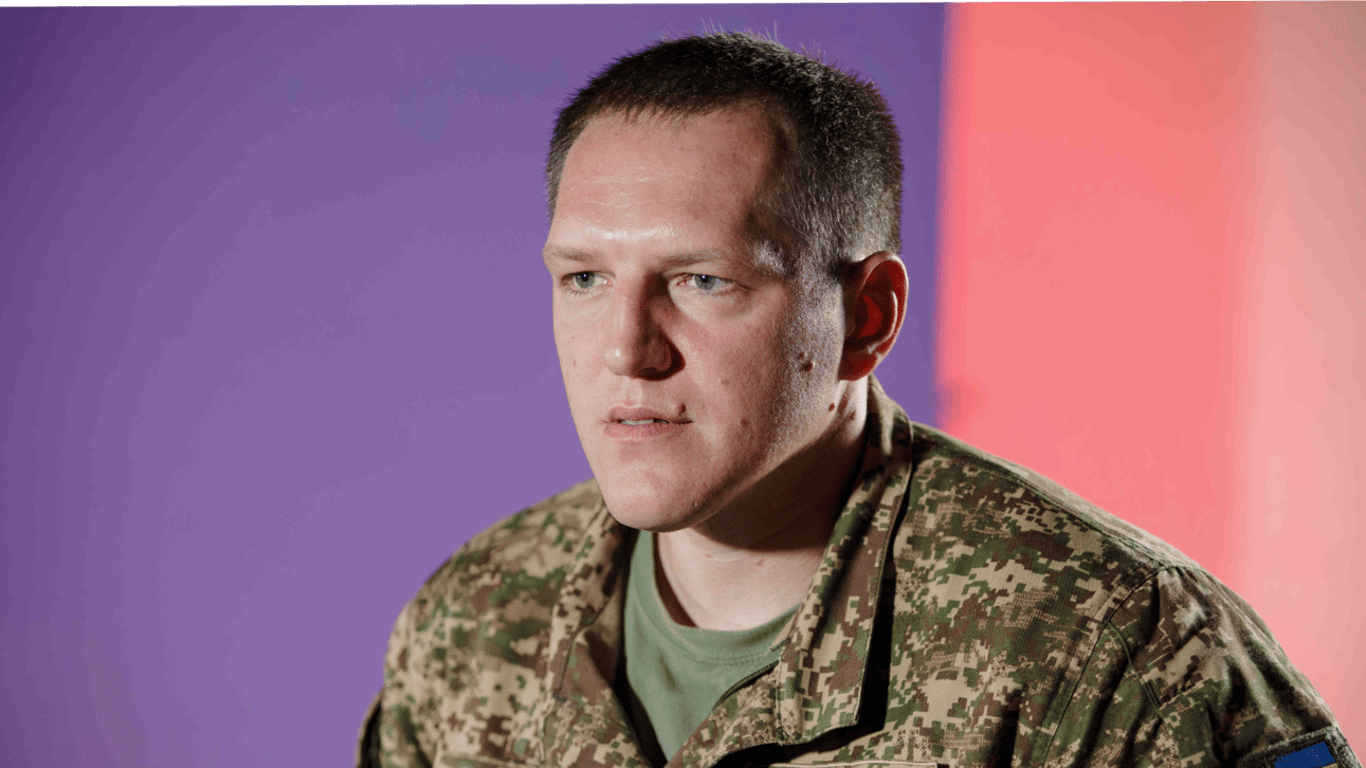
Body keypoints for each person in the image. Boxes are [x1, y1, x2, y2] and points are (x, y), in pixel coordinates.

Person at [358, 32, 1357, 768]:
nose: (624, 349)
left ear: (867, 316)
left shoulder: (1108, 646)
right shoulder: (475, 620)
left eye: (702, 280)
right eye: (583, 279)